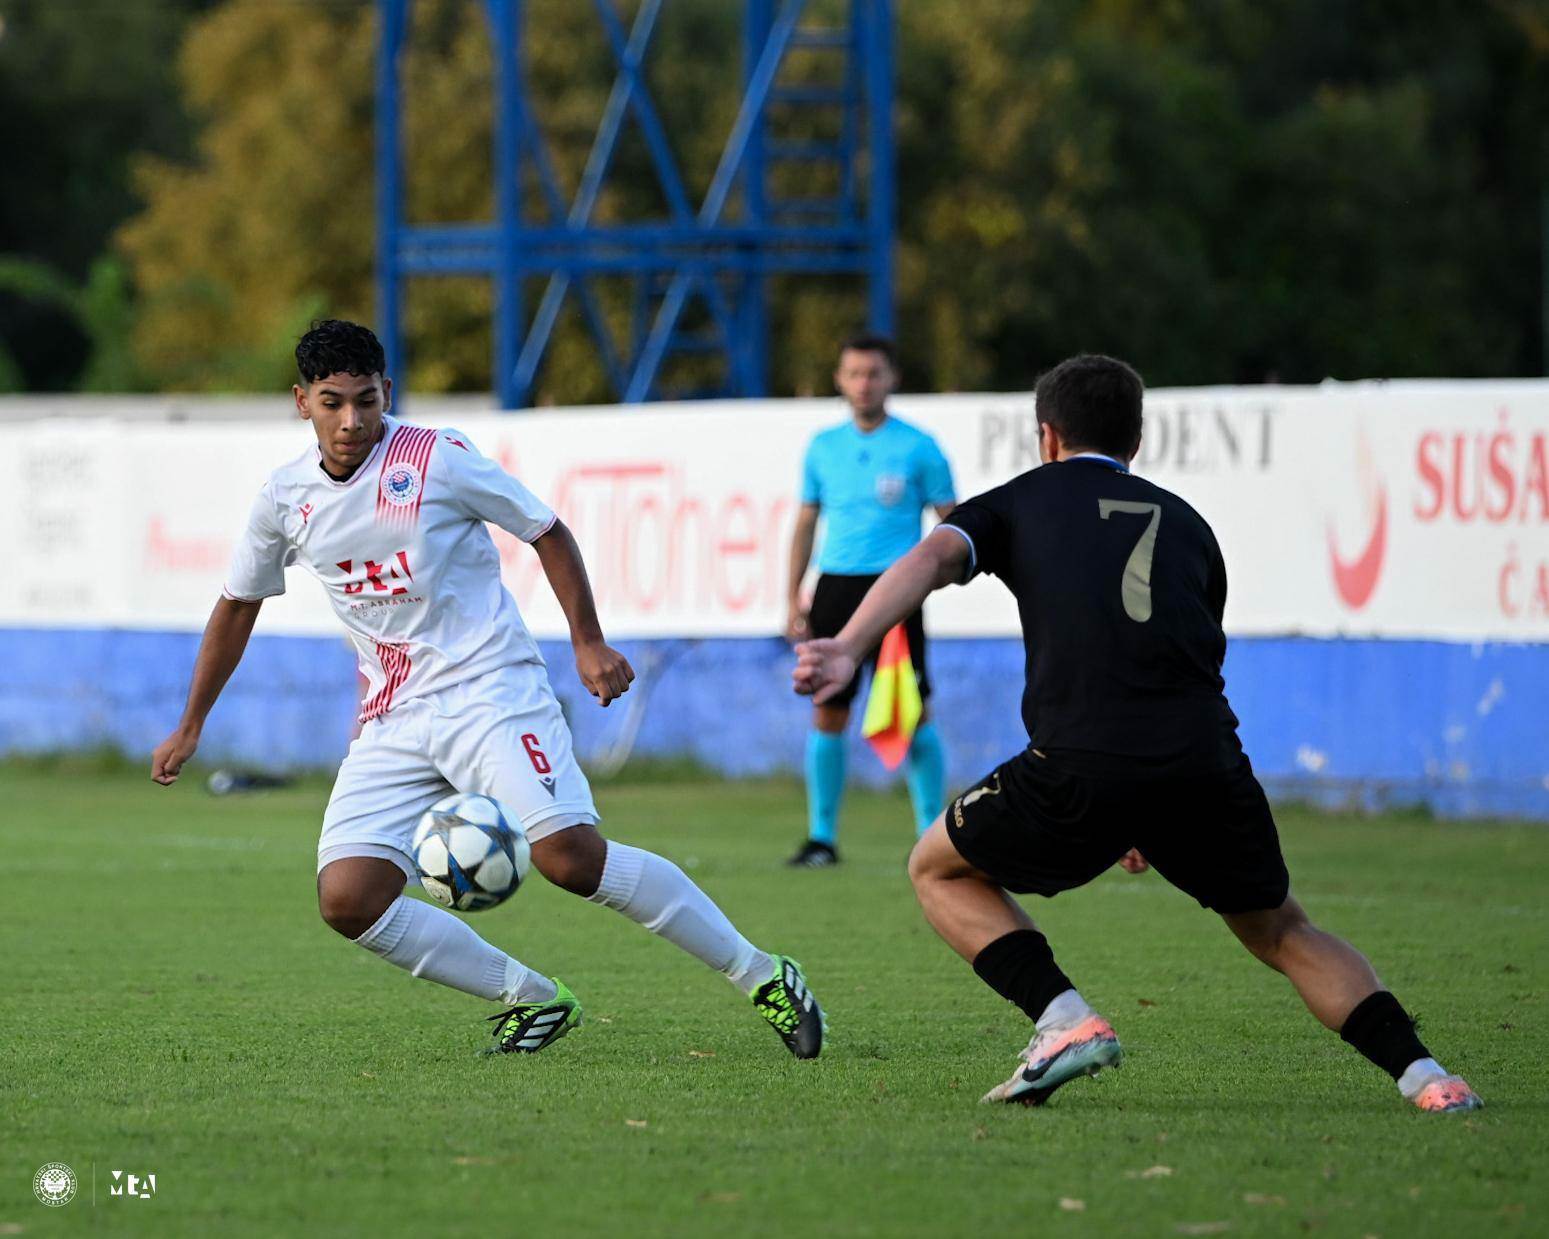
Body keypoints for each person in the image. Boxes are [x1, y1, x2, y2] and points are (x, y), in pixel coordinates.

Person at [793, 353, 1480, 1112]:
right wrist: (1146, 806)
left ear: (1047, 436)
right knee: (1283, 930)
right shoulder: (1189, 525)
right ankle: (1428, 1077)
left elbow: (930, 555)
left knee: (936, 867)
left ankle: (1063, 1019)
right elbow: (1200, 656)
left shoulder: (1020, 499)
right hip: (1203, 763)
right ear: (1136, 440)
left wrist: (847, 645)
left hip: (1080, 762)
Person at [152, 319, 823, 1060]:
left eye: (366, 400)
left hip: (491, 689)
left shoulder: (435, 458)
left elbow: (545, 529)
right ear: (301, 401)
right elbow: (237, 605)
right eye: (332, 402)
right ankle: (533, 997)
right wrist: (192, 723)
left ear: (387, 393)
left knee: (570, 858)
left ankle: (762, 973)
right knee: (348, 898)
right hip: (394, 715)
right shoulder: (285, 497)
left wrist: (587, 640)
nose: (351, 421)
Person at [784, 335, 957, 867]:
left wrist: (934, 578)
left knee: (913, 711)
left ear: (892, 379)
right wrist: (791, 596)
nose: (864, 384)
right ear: (840, 380)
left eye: (874, 373)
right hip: (834, 588)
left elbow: (953, 523)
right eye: (854, 374)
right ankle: (821, 838)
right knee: (828, 709)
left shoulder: (919, 447)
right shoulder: (823, 447)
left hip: (896, 590)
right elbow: (807, 523)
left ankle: (932, 836)